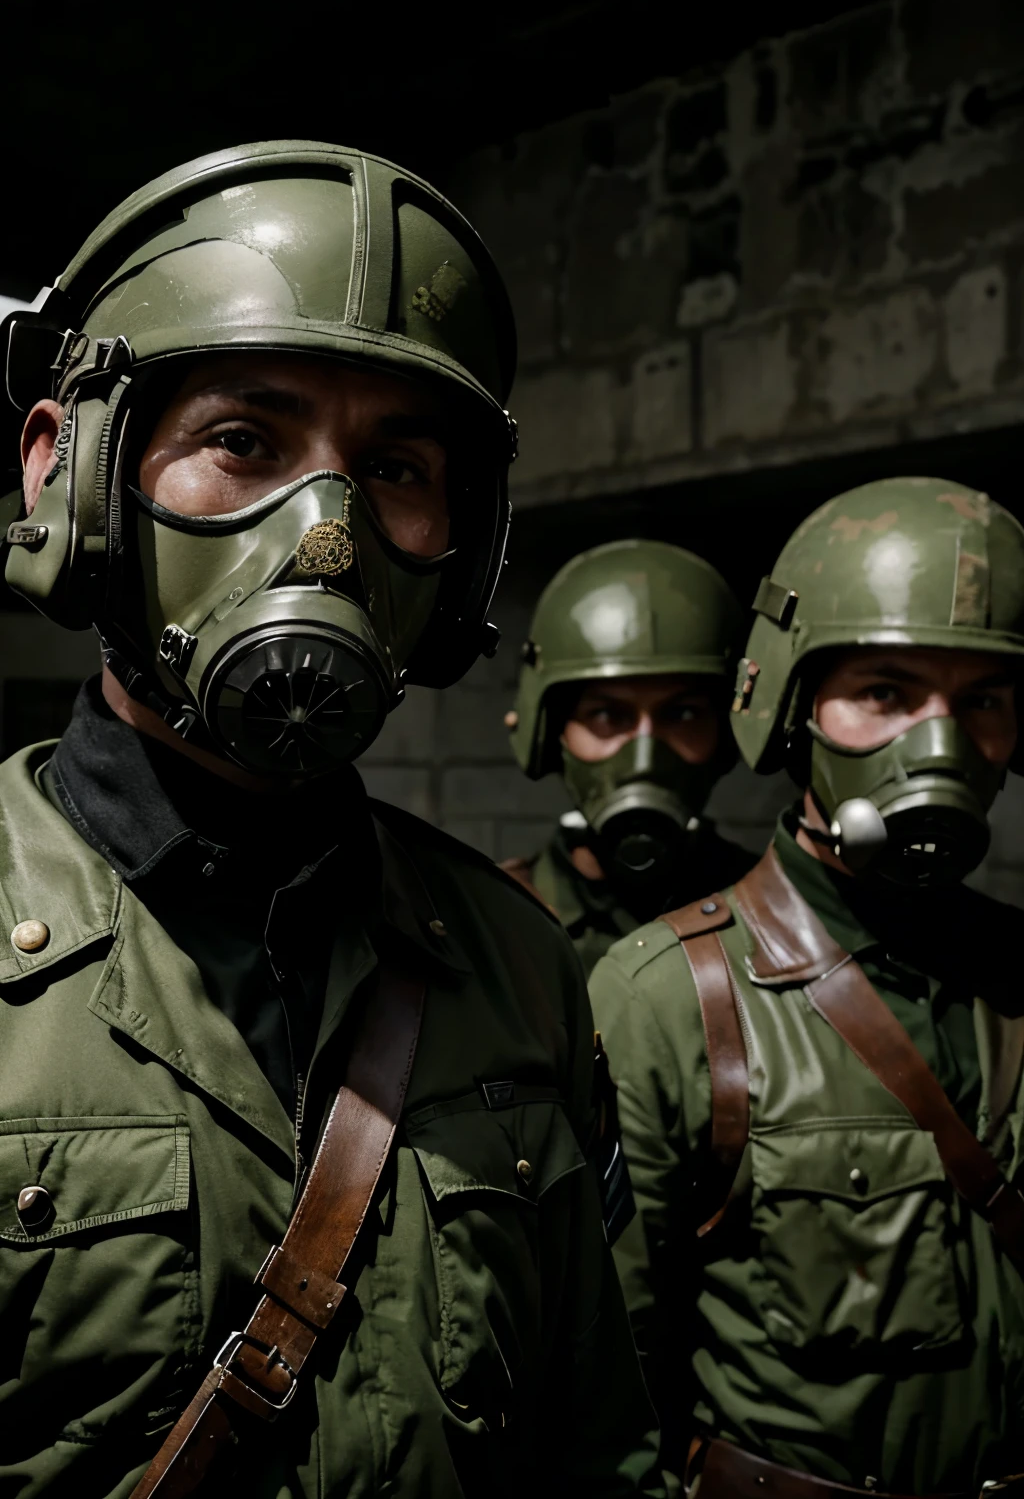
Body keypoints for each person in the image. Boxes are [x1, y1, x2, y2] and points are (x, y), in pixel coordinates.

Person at [0, 140, 658, 1497]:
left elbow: (599, 1451)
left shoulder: (519, 967)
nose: (327, 539)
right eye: (244, 441)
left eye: (399, 469)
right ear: (72, 476)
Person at [590, 476, 1024, 1496]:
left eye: (982, 702)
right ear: (792, 704)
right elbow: (605, 1387)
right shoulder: (670, 996)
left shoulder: (1015, 972)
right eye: (883, 694)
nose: (939, 743)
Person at [502, 540, 752, 974]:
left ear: (727, 733)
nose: (643, 760)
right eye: (606, 715)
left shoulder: (778, 914)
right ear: (550, 733)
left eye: (682, 714)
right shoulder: (494, 920)